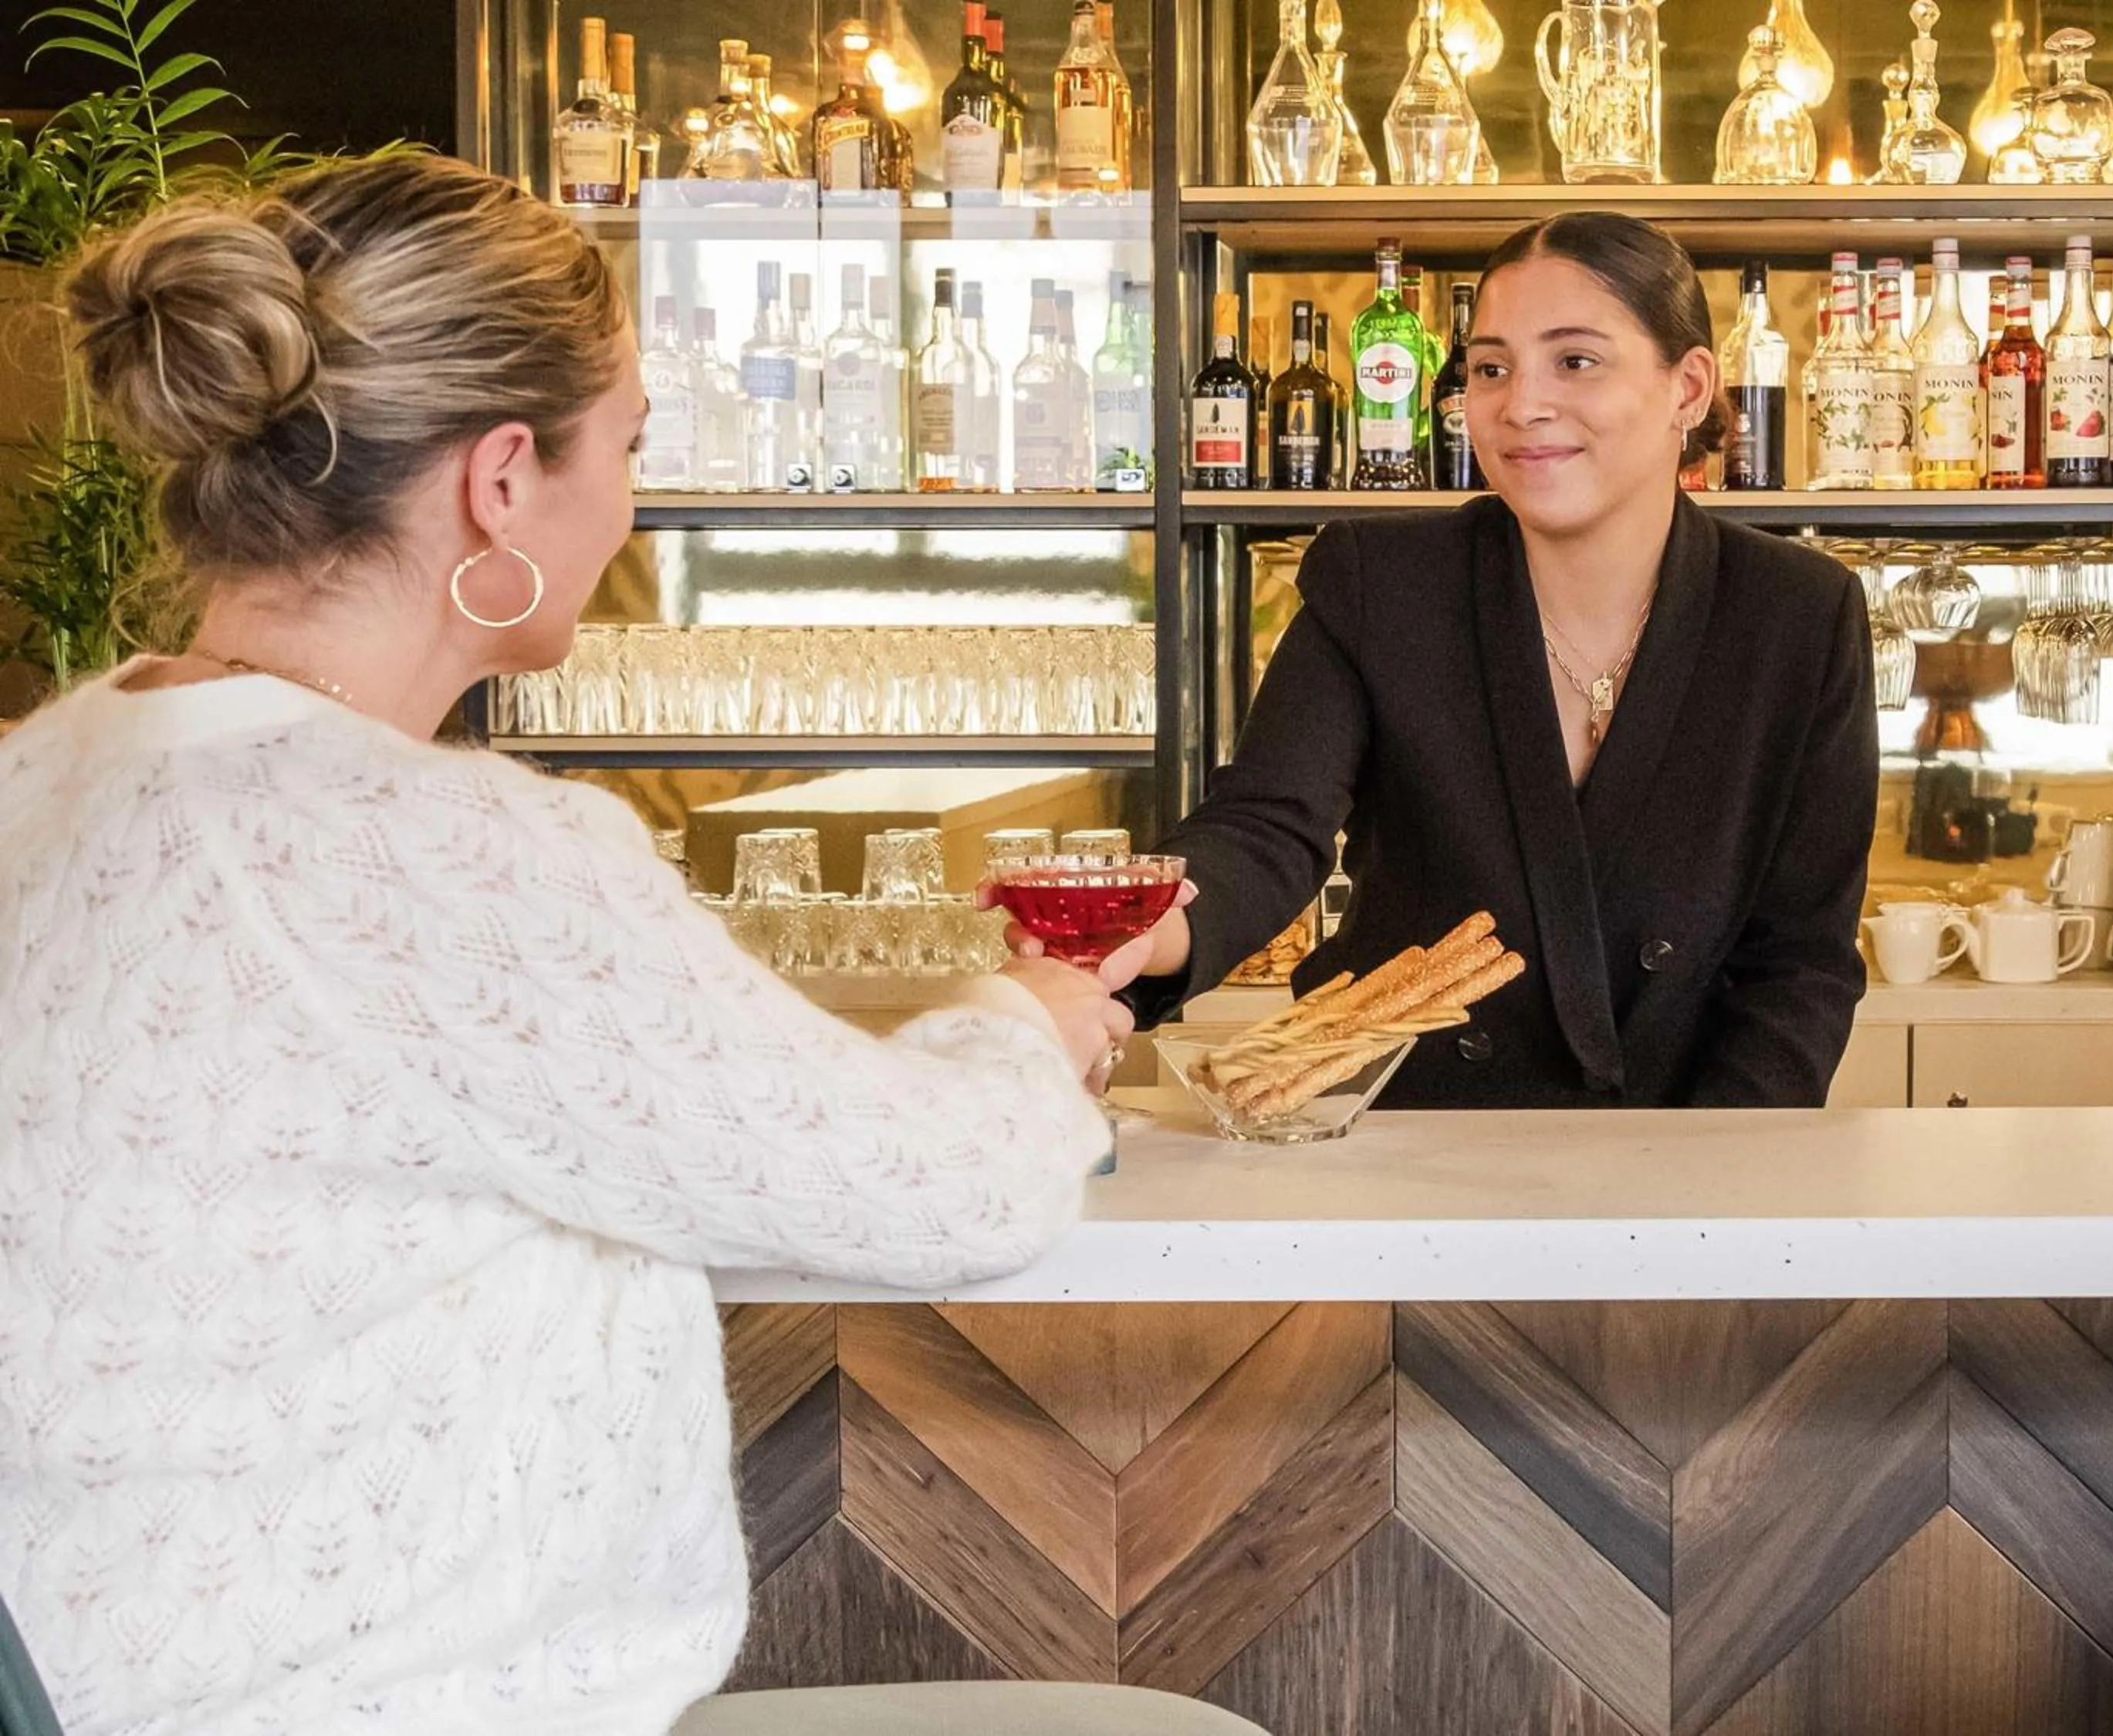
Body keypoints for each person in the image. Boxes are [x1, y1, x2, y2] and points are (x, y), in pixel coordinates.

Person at [0, 154, 1151, 1736]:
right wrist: (1033, 1019)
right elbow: (945, 1188)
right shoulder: (438, 851)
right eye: (627, 445)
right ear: (498, 482)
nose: (635, 502)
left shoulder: (42, 772)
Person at [1115, 214, 1879, 1108]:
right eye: (1490, 368)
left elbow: (1800, 959)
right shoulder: (1382, 584)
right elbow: (1265, 828)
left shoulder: (1797, 614)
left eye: (1576, 361)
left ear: (1690, 387)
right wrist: (1134, 934)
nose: (1521, 405)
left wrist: (1711, 1172)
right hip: (1416, 1147)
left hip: (1685, 1147)